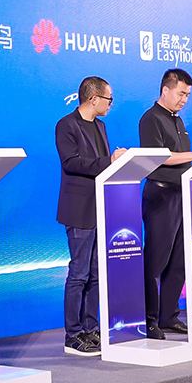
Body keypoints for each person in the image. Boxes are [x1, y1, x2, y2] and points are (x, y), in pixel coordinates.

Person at [55, 77, 127, 356]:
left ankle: (90, 327)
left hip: (100, 207)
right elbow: (71, 163)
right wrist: (109, 161)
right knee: (79, 273)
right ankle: (73, 334)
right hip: (79, 208)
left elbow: (102, 166)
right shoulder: (66, 125)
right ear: (94, 98)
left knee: (96, 273)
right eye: (109, 99)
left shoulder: (101, 126)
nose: (111, 105)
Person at [139, 69, 192, 339]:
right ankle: (148, 319)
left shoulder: (178, 120)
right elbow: (158, 156)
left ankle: (168, 316)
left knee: (179, 260)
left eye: (188, 95)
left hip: (181, 194)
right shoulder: (151, 119)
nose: (184, 99)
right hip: (161, 195)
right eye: (181, 93)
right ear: (165, 90)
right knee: (156, 260)